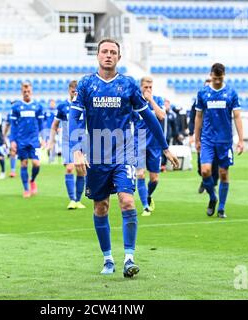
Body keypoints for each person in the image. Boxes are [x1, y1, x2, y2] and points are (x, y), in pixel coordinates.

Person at [69, 39, 179, 278]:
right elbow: (74, 118)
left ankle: (129, 258)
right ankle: (108, 259)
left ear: (119, 57)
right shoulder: (87, 84)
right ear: (97, 55)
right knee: (101, 206)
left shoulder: (128, 85)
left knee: (127, 202)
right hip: (96, 153)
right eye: (104, 51)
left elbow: (150, 118)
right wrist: (76, 149)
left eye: (113, 52)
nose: (108, 55)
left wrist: (164, 147)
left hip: (124, 153)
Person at [194, 63, 244, 219]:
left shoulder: (231, 93)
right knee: (205, 171)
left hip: (225, 140)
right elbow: (198, 116)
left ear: (224, 76)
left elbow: (237, 116)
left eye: (220, 78)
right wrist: (197, 139)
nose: (217, 81)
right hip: (208, 139)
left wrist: (241, 140)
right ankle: (212, 197)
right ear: (211, 75)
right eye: (214, 78)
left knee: (223, 174)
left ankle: (221, 208)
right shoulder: (203, 93)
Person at [48, 80, 86, 210]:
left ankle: (78, 200)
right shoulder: (63, 106)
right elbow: (54, 125)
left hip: (83, 141)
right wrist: (51, 141)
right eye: (72, 90)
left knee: (81, 170)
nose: (74, 93)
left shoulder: (85, 105)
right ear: (69, 90)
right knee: (70, 168)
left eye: (77, 91)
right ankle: (72, 199)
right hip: (67, 142)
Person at [132, 77, 166, 216]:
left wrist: (150, 99)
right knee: (140, 174)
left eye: (150, 87)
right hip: (138, 142)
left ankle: (148, 196)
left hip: (154, 143)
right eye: (146, 87)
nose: (148, 90)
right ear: (140, 87)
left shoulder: (157, 100)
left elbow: (162, 116)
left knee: (154, 179)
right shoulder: (134, 102)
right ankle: (145, 206)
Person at [11, 82, 45, 198]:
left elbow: (41, 125)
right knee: (24, 163)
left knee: (36, 164)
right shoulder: (16, 107)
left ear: (32, 91)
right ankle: (26, 189)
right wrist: (13, 140)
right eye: (24, 91)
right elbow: (13, 126)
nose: (26, 93)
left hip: (34, 140)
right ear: (21, 92)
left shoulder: (38, 106)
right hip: (21, 140)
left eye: (28, 91)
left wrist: (43, 138)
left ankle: (32, 180)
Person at [188, 79, 219, 194]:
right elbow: (193, 118)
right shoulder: (198, 101)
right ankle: (204, 180)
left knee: (215, 162)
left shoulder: (218, 101)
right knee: (200, 162)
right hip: (202, 135)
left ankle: (212, 184)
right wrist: (192, 134)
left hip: (216, 136)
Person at [160, 99, 180, 172]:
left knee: (166, 150)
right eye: (165, 104)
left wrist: (176, 135)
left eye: (167, 104)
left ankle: (163, 165)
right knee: (159, 150)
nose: (166, 106)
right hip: (159, 136)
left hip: (167, 135)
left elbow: (174, 126)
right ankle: (158, 165)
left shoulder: (172, 114)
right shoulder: (160, 113)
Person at [3, 109, 18, 178]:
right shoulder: (10, 115)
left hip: (23, 135)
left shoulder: (22, 112)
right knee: (13, 151)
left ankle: (24, 170)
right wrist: (4, 135)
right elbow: (7, 125)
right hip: (13, 135)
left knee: (24, 153)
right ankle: (13, 171)